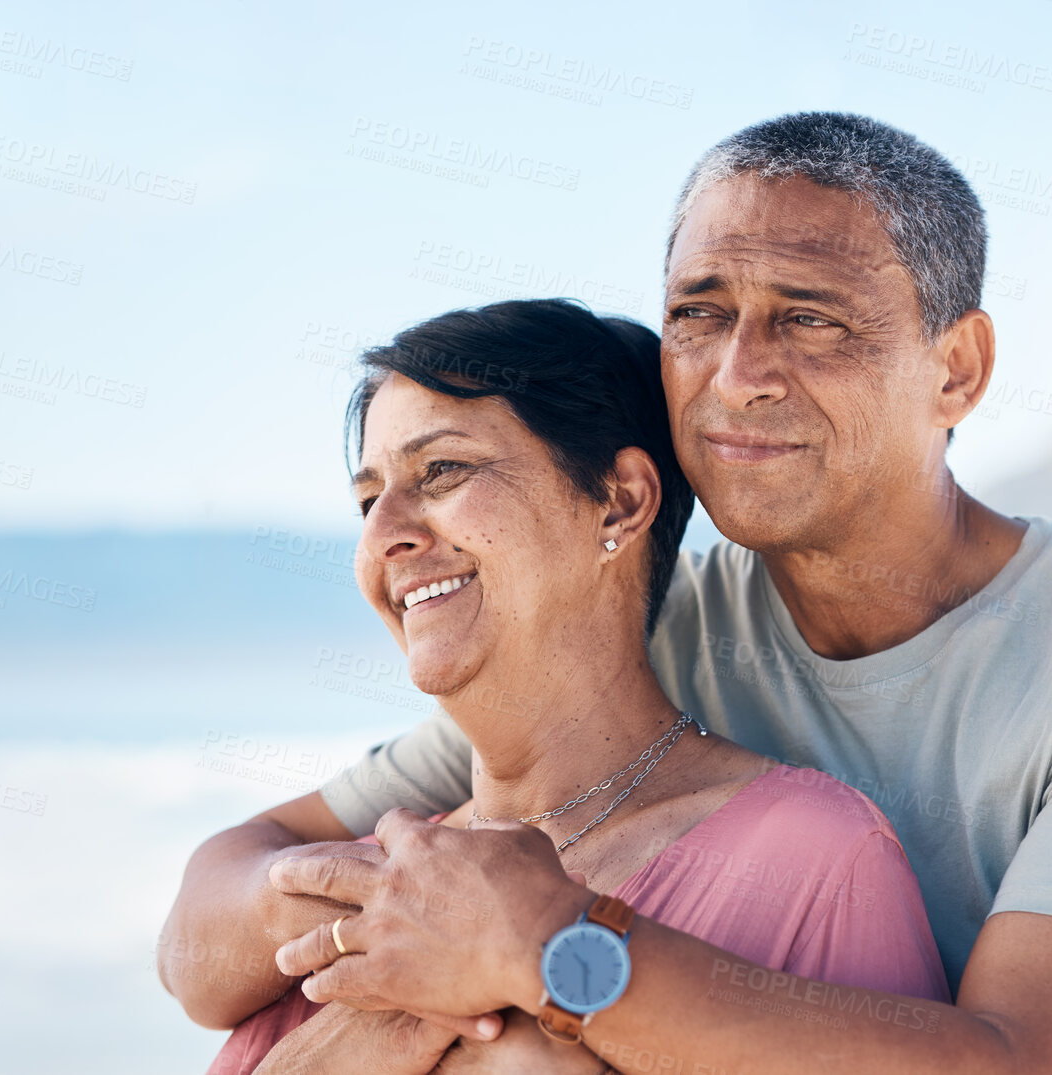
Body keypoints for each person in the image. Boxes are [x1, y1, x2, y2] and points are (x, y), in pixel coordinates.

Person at [162, 113, 1052, 1074]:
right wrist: (386, 930)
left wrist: (556, 949)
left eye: (811, 317)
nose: (737, 373)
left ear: (956, 370)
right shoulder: (662, 627)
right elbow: (222, 903)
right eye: (698, 311)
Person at [192, 299, 948, 1074]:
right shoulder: (365, 886)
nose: (383, 535)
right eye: (366, 500)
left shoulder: (815, 862)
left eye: (442, 470)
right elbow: (196, 944)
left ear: (618, 501)